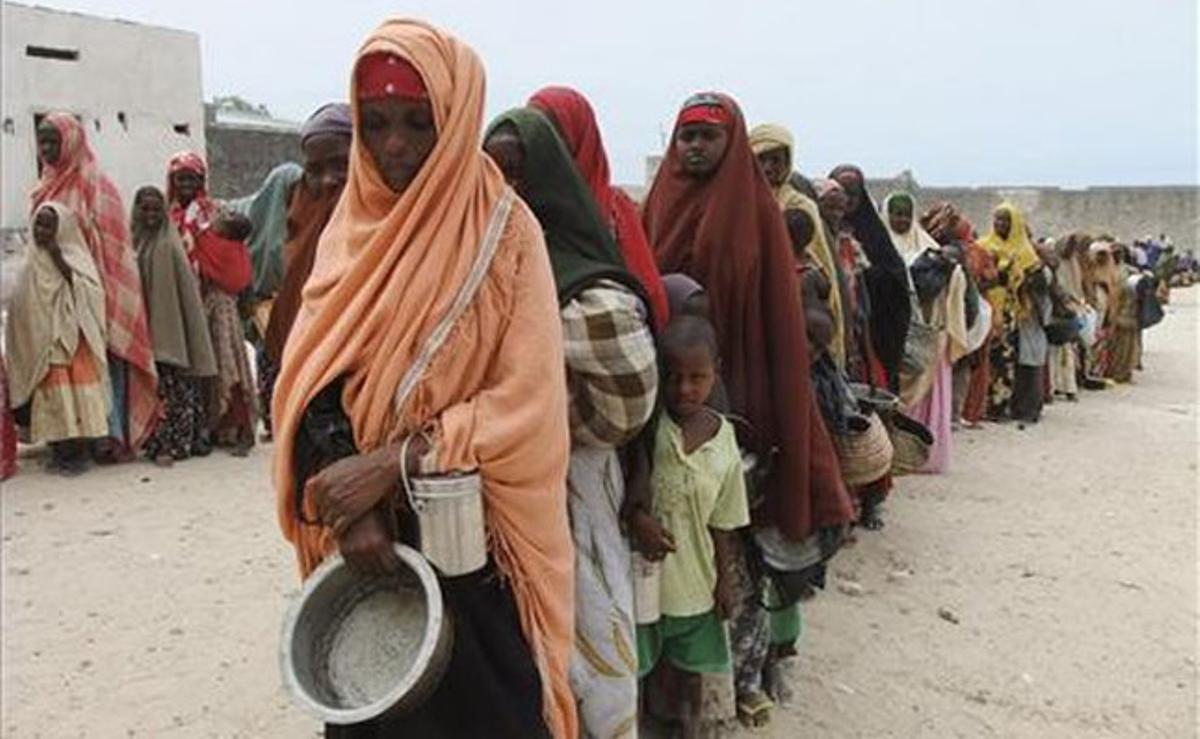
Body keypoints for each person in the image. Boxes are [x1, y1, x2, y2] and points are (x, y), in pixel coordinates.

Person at [271, 20, 576, 738]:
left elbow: (529, 405)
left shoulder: (505, 234)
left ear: (457, 116)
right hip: (367, 554)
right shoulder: (350, 231)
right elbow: (312, 381)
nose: (395, 144)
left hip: (476, 548)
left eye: (417, 121)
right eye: (375, 124)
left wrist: (398, 461)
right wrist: (356, 508)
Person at [644, 92, 852, 728]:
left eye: (709, 137)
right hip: (666, 395)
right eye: (687, 136)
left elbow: (778, 324)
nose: (696, 148)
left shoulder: (756, 217)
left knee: (736, 541)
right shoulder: (655, 207)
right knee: (665, 544)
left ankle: (738, 678)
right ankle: (665, 688)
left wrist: (758, 413)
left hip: (742, 396)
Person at [484, 106, 658, 739]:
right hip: (489, 498)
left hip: (572, 489)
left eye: (520, 174)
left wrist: (529, 417)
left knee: (584, 641)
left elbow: (627, 405)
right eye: (492, 172)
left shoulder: (586, 285)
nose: (506, 190)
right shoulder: (468, 261)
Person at [637, 315, 747, 739]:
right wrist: (639, 519)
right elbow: (630, 489)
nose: (685, 389)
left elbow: (725, 521)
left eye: (697, 377)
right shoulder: (648, 428)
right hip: (646, 588)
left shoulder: (724, 439)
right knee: (642, 677)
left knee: (691, 680)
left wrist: (724, 581)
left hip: (697, 586)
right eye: (674, 377)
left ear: (715, 370)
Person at [31, 112, 158, 462]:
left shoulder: (96, 184)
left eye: (53, 140)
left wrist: (92, 287)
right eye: (42, 141)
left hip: (94, 290)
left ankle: (108, 436)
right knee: (62, 367)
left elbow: (115, 247)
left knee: (103, 363)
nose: (46, 148)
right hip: (55, 294)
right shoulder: (45, 184)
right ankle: (70, 435)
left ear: (71, 141)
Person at [528, 85, 669, 330]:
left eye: (554, 130)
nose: (544, 139)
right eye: (538, 129)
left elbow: (647, 289)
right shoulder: (520, 205)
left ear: (578, 136)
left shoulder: (614, 209)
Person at [261, 103, 354, 440]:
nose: (327, 180)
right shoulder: (304, 215)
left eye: (341, 165)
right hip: (306, 380)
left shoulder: (388, 235)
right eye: (315, 169)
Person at [6, 203, 109, 475]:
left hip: (73, 340)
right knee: (53, 397)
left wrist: (58, 257)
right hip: (44, 343)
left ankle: (79, 451)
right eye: (38, 224)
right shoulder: (30, 261)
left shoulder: (75, 256)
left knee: (77, 397)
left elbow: (89, 292)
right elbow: (21, 305)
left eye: (49, 225)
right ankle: (61, 450)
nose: (42, 231)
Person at [166, 152, 257, 456]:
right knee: (194, 369)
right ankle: (201, 428)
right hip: (183, 301)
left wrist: (244, 293)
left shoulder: (216, 212)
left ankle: (235, 428)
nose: (187, 184)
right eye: (182, 178)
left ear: (203, 181)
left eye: (193, 178)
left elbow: (236, 254)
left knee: (227, 363)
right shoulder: (166, 216)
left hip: (219, 300)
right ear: (172, 181)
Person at [131, 186, 218, 465]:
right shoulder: (136, 242)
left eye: (156, 208)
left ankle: (175, 445)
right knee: (158, 391)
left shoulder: (169, 245)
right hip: (148, 331)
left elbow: (178, 299)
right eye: (144, 209)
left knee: (174, 390)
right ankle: (159, 442)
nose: (150, 214)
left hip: (171, 333)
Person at [749, 123, 846, 368]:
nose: (769, 168)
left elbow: (820, 265)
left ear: (788, 162)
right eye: (762, 159)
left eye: (776, 160)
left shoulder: (800, 205)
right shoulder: (737, 200)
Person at [883, 192, 968, 471]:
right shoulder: (876, 246)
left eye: (906, 213)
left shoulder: (928, 246)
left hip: (930, 334)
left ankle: (925, 455)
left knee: (930, 394)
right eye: (895, 213)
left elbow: (955, 280)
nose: (901, 219)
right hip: (893, 335)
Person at [226, 161, 304, 437]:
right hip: (265, 306)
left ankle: (292, 418)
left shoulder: (303, 219)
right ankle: (273, 420)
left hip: (298, 306)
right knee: (270, 363)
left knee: (295, 364)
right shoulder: (256, 218)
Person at [829, 164, 911, 392]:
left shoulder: (874, 234)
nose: (846, 200)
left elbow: (895, 281)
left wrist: (862, 275)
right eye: (840, 192)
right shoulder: (818, 229)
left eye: (852, 194)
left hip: (870, 331)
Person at [977, 203, 1041, 421]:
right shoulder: (983, 246)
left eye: (1005, 220)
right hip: (986, 308)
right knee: (983, 357)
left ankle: (1000, 406)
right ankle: (980, 406)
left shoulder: (1024, 252)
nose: (1000, 224)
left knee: (1004, 360)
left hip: (1008, 313)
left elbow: (1032, 283)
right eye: (997, 219)